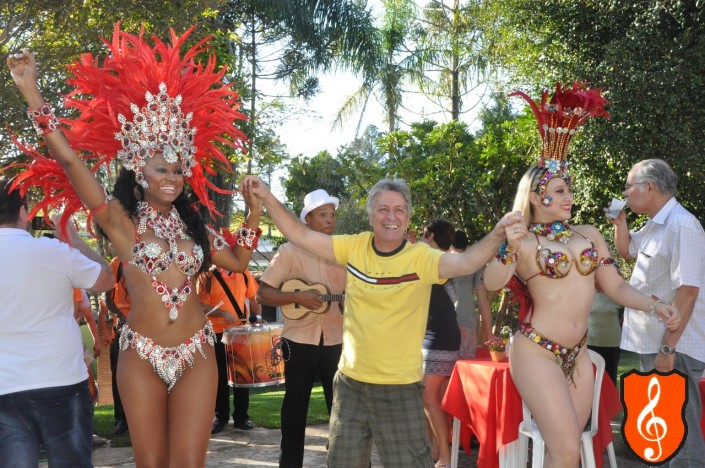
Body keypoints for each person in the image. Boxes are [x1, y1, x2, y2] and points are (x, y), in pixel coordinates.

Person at [7, 25, 261, 466]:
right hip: (141, 353)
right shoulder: (119, 221)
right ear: (139, 169)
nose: (171, 177)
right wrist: (32, 93)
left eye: (179, 171)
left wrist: (254, 211)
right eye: (161, 168)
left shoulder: (195, 225)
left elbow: (239, 259)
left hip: (198, 351)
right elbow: (68, 160)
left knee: (189, 463)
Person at [239, 174, 524, 468]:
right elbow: (300, 235)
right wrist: (267, 196)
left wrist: (499, 233)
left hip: (399, 388)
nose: (391, 216)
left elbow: (466, 262)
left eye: (399, 209)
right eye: (383, 209)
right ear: (371, 216)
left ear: (408, 217)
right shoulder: (354, 247)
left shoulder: (421, 258)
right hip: (350, 386)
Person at [483, 83, 681, 467]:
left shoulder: (589, 235)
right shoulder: (524, 242)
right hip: (537, 351)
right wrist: (508, 244)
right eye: (560, 190)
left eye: (569, 188)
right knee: (566, 449)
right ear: (538, 197)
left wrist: (656, 305)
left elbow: (617, 287)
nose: (569, 196)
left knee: (569, 453)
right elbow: (491, 282)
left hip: (578, 355)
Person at [0, 177, 114, 467]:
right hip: (61, 379)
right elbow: (106, 278)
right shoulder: (54, 251)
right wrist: (73, 239)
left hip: (5, 386)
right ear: (25, 212)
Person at [609, 158, 705, 466]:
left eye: (628, 186)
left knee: (681, 432)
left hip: (674, 345)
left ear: (649, 187)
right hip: (653, 341)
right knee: (661, 431)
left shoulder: (682, 225)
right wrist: (620, 223)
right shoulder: (656, 223)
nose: (625, 193)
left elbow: (688, 293)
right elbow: (627, 251)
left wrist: (667, 349)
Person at [256, 188, 346, 468]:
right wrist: (296, 296)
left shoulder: (344, 251)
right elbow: (263, 294)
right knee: (295, 409)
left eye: (332, 214)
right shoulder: (289, 251)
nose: (330, 219)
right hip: (298, 341)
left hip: (337, 341)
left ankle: (345, 461)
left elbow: (352, 297)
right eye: (323, 214)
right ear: (307, 220)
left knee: (342, 410)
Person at [419, 219, 462, 468]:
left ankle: (445, 458)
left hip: (441, 336)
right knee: (429, 397)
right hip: (431, 334)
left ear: (431, 235)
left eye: (425, 235)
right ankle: (434, 450)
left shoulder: (441, 262)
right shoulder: (438, 259)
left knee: (428, 397)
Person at [197, 265, 260, 434]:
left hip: (240, 330)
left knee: (242, 375)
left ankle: (241, 418)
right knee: (220, 377)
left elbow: (254, 298)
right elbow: (200, 304)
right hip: (216, 332)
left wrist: (257, 317)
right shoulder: (207, 274)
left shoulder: (243, 272)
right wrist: (222, 314)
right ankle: (221, 417)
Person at [98, 255, 132, 436]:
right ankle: (121, 419)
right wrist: (124, 316)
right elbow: (106, 297)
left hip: (151, 329)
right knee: (119, 376)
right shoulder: (117, 263)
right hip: (124, 329)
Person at [450, 230, 496, 358]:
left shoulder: (440, 259)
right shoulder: (475, 263)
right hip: (466, 321)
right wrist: (489, 333)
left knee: (440, 372)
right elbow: (483, 300)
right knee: (465, 369)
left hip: (442, 322)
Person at [587, 286, 622, 385]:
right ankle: (595, 400)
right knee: (592, 378)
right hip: (591, 342)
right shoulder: (586, 294)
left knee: (610, 377)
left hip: (612, 342)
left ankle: (610, 400)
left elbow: (624, 318)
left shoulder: (616, 296)